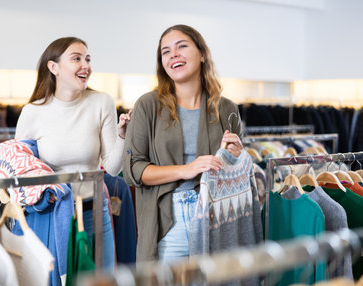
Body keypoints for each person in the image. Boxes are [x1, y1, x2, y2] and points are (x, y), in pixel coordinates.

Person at [14, 37, 131, 283]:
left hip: (94, 210)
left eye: (87, 59)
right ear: (53, 67)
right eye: (76, 58)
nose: (85, 65)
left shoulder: (101, 102)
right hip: (51, 215)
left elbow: (111, 167)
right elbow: (22, 175)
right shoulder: (32, 112)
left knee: (102, 281)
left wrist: (122, 137)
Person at [123, 25, 244, 263]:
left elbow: (235, 175)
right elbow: (132, 170)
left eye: (182, 46)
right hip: (168, 220)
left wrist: (236, 159)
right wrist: (187, 169)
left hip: (215, 216)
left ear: (202, 54)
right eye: (166, 51)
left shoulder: (227, 109)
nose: (173, 55)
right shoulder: (147, 105)